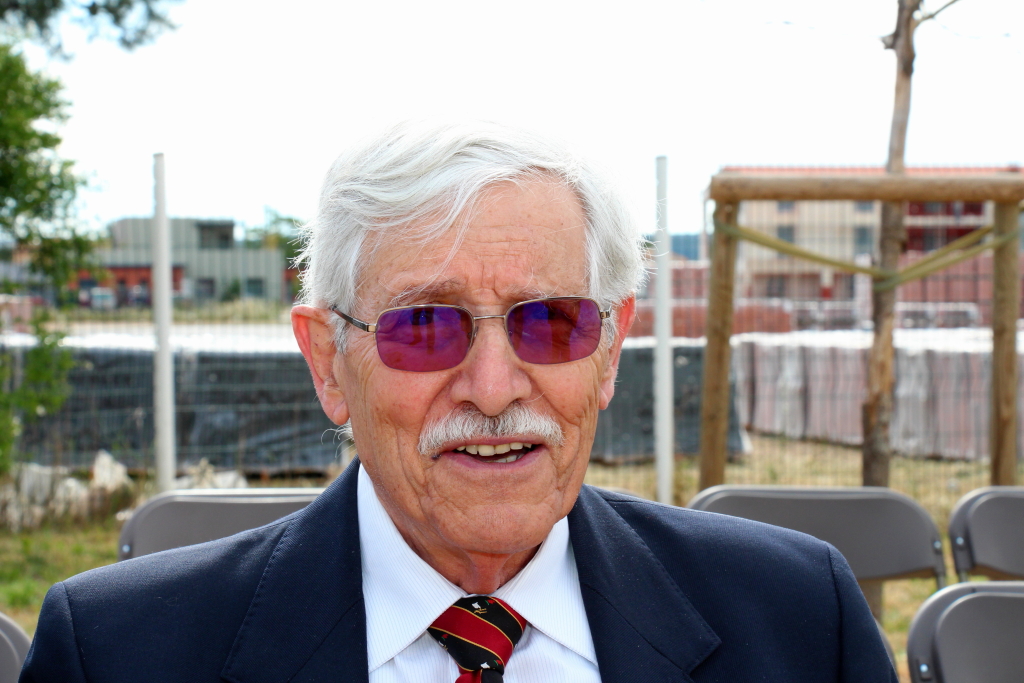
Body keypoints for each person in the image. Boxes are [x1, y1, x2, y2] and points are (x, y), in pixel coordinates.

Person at [21, 122, 896, 683]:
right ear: (328, 362)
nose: (492, 386)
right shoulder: (119, 652)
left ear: (610, 351)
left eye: (548, 323)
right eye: (425, 326)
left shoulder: (796, 621)